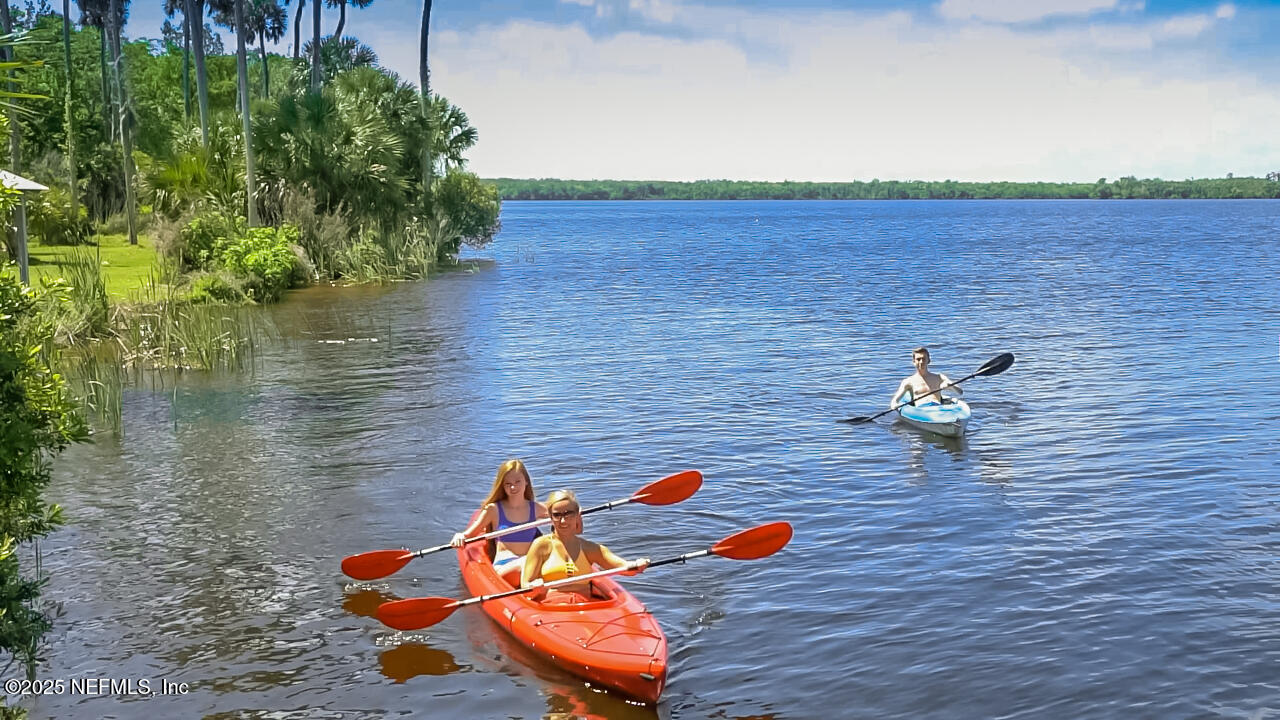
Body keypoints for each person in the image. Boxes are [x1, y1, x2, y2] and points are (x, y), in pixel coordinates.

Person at [521, 489, 649, 604]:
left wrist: (638, 564)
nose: (563, 521)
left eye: (568, 514)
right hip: (553, 604)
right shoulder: (541, 545)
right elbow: (525, 586)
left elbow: (623, 567)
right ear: (550, 517)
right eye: (557, 515)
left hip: (584, 604)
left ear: (577, 515)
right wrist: (532, 586)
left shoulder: (590, 548)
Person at [450, 459, 548, 571]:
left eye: (517, 482)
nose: (513, 487)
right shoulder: (493, 510)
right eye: (508, 484)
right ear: (502, 486)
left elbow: (562, 515)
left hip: (529, 564)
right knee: (527, 564)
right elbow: (469, 535)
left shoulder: (536, 508)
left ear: (526, 481)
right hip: (505, 565)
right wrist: (460, 536)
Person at [889, 346, 962, 409]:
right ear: (914, 362)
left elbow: (960, 392)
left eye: (923, 359)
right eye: (918, 359)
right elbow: (895, 401)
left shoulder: (939, 377)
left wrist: (950, 386)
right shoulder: (908, 382)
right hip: (921, 410)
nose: (921, 362)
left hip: (938, 408)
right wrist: (895, 405)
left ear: (929, 360)